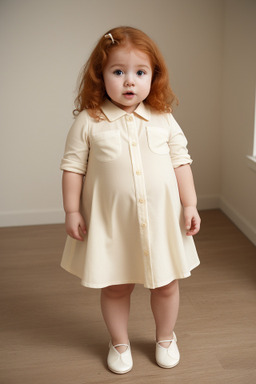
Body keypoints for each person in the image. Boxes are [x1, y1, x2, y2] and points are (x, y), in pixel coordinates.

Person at [60, 26, 200, 374]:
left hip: (161, 221)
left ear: (154, 76)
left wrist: (190, 204)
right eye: (118, 72)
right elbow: (73, 167)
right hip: (113, 225)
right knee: (116, 286)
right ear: (100, 75)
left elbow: (180, 161)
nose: (129, 82)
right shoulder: (89, 120)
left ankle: (166, 337)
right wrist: (72, 209)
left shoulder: (163, 119)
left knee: (166, 285)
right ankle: (119, 342)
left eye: (140, 73)